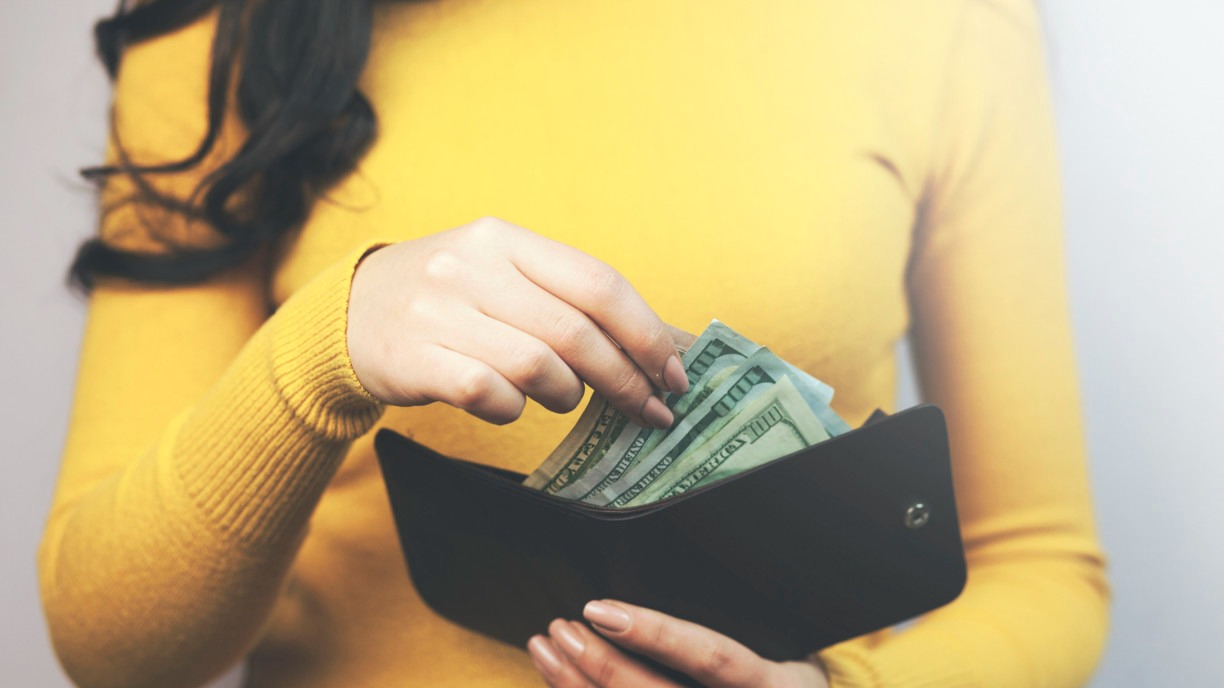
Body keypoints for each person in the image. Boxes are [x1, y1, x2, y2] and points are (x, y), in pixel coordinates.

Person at [38, 0, 1110, 686]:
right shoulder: (218, 36)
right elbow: (110, 648)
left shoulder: (940, 23)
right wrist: (327, 344)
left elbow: (1043, 566)